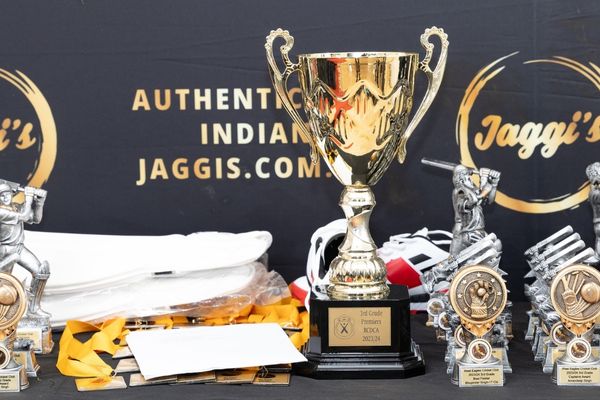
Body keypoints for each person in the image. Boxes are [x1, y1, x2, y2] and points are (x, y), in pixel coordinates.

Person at [0, 181, 50, 319]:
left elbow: (35, 219)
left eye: (7, 194)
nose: (5, 197)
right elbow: (24, 216)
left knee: (41, 271)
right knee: (3, 285)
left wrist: (39, 202)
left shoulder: (16, 207)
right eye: (1, 195)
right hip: (4, 251)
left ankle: (34, 309)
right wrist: (28, 197)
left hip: (19, 248)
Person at [450, 165, 501, 257]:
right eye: (465, 174)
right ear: (460, 178)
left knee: (495, 246)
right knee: (491, 249)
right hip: (468, 232)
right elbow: (472, 201)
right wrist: (486, 187)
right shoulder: (460, 191)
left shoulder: (471, 189)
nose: (469, 177)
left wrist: (493, 185)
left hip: (477, 230)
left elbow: (489, 200)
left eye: (467, 174)